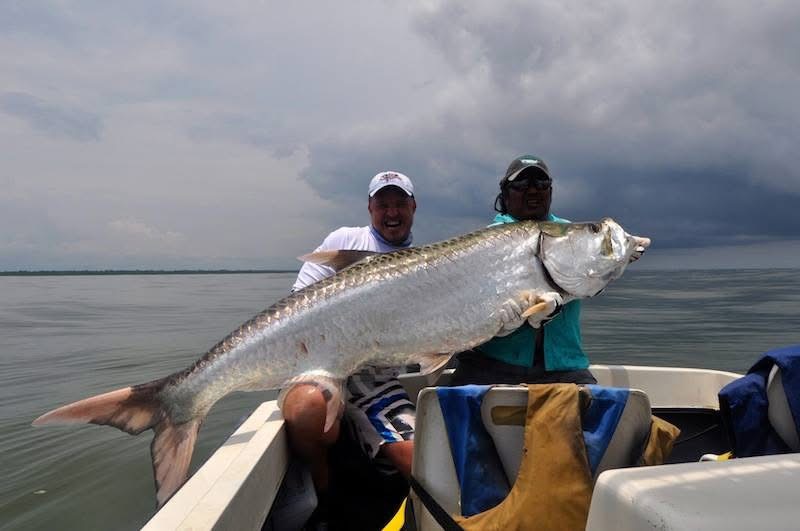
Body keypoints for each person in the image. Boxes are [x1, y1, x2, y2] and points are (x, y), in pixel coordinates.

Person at [282, 171, 418, 528]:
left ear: (413, 207)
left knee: (420, 463)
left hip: (376, 381)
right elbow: (298, 306)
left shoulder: (423, 263)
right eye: (383, 204)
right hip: (323, 366)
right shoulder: (345, 240)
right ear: (370, 208)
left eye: (400, 204)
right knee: (309, 411)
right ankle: (323, 489)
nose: (392, 212)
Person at [450, 155, 599, 386]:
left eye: (541, 183)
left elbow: (595, 274)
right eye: (521, 184)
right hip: (491, 362)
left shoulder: (570, 232)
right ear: (505, 194)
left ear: (551, 191)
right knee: (450, 403)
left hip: (564, 365)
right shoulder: (486, 242)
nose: (533, 190)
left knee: (600, 406)